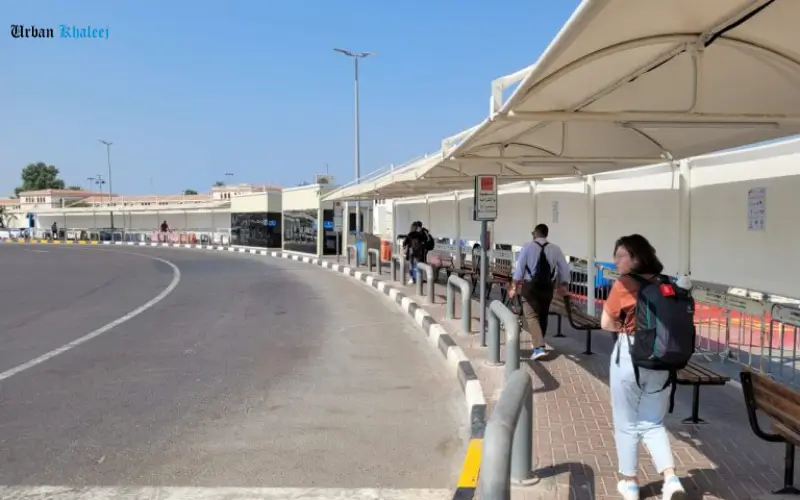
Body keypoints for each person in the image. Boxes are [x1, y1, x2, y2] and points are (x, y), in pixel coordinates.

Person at [600, 234, 687, 500]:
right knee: (653, 421)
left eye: (621, 256)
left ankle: (630, 483)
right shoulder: (665, 283)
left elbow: (605, 323)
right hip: (663, 359)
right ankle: (671, 479)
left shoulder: (623, 284)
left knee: (626, 422)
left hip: (630, 356)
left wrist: (627, 329)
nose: (616, 261)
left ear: (636, 257)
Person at [507, 224, 570, 360]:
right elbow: (564, 269)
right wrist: (563, 284)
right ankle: (539, 345)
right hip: (547, 288)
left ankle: (539, 347)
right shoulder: (555, 249)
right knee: (543, 315)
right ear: (546, 234)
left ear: (535, 234)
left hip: (530, 288)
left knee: (531, 315)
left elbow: (519, 271)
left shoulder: (528, 247)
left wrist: (513, 287)